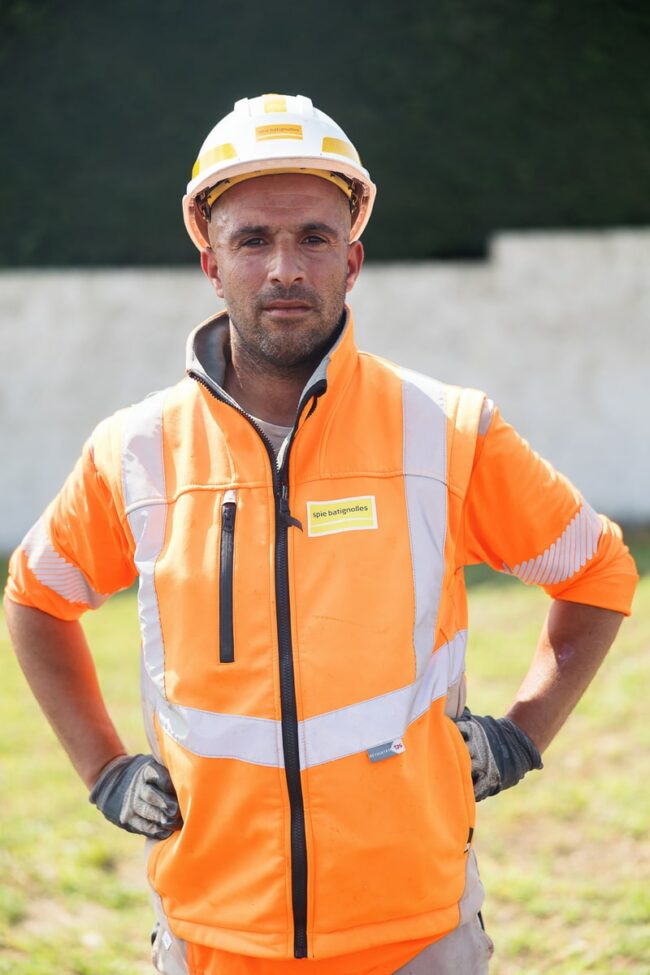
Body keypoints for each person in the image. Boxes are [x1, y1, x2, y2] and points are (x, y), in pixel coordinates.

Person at [4, 93, 638, 975]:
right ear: (210, 263)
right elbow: (35, 601)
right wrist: (103, 766)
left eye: (312, 237)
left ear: (354, 257)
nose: (283, 268)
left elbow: (599, 573)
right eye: (252, 240)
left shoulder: (448, 432)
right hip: (214, 938)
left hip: (416, 934)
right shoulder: (135, 452)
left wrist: (521, 733)